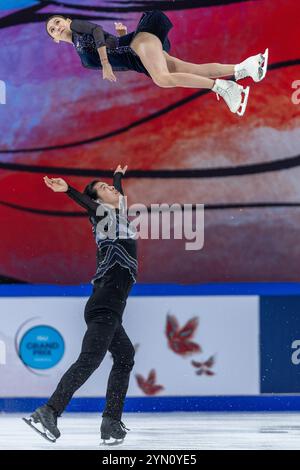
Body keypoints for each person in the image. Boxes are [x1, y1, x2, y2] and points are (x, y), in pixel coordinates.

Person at [23, 165, 138, 445]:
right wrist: (69, 191)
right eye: (103, 189)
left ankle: (111, 424)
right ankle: (48, 412)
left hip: (111, 306)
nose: (111, 190)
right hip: (104, 303)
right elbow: (91, 204)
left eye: (110, 187)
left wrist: (117, 178)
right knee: (90, 360)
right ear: (97, 201)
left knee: (124, 357)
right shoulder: (103, 217)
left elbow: (118, 196)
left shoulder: (118, 215)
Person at [45, 10, 268, 116]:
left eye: (57, 22)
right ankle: (245, 67)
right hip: (136, 56)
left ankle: (224, 86)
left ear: (67, 21)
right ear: (55, 40)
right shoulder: (79, 50)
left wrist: (105, 63)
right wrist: (118, 36)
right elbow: (105, 39)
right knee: (190, 69)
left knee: (163, 79)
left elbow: (94, 30)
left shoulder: (76, 30)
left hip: (138, 45)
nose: (57, 27)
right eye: (53, 30)